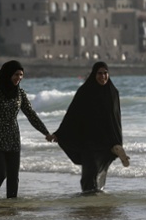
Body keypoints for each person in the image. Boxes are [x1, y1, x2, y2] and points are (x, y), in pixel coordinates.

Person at [0, 60, 53, 199]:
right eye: (16, 74)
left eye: (21, 75)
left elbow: (31, 114)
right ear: (8, 73)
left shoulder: (20, 93)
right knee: (1, 173)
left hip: (13, 138)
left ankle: (11, 206)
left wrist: (46, 133)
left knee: (13, 176)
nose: (19, 78)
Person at [53, 61, 129, 193]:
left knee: (100, 170)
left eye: (105, 73)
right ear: (94, 74)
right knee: (91, 170)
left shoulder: (112, 92)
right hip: (88, 140)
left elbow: (116, 118)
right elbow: (72, 114)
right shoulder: (85, 91)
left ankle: (95, 201)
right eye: (100, 73)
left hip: (106, 140)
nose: (103, 76)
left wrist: (117, 141)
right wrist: (59, 134)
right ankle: (91, 202)